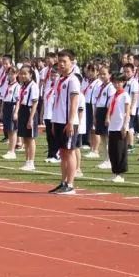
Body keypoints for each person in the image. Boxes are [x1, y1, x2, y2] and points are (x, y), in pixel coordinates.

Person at [50, 50, 81, 195]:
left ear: (72, 63)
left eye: (64, 62)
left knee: (69, 152)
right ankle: (63, 182)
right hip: (58, 120)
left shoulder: (73, 80)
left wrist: (71, 121)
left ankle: (70, 183)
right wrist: (53, 120)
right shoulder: (59, 80)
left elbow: (74, 102)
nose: (61, 64)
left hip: (68, 121)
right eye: (60, 61)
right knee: (62, 152)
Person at [107, 73, 131, 183]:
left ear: (123, 83)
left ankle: (120, 173)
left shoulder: (125, 95)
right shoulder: (113, 95)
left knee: (120, 150)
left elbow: (127, 112)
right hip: (112, 125)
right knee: (112, 150)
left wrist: (125, 126)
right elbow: (110, 108)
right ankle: (115, 171)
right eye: (115, 82)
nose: (117, 84)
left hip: (120, 126)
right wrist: (107, 118)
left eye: (120, 82)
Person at [16, 65, 39, 171]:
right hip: (23, 110)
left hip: (30, 111)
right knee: (25, 138)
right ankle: (27, 161)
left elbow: (35, 103)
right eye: (21, 73)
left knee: (30, 138)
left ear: (30, 74)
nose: (23, 76)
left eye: (25, 73)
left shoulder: (33, 86)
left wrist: (31, 118)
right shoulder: (23, 86)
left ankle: (31, 162)